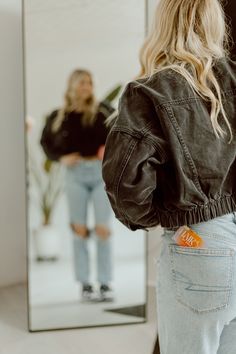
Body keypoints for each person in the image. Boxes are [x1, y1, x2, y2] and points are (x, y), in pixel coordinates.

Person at [101, 0, 236, 353]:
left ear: (163, 23)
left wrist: (163, 216)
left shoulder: (151, 90)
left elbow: (123, 183)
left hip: (200, 243)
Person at [40, 69, 116, 302]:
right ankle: (85, 284)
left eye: (90, 82)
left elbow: (121, 132)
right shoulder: (58, 115)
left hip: (100, 172)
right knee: (79, 230)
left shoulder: (104, 110)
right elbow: (45, 143)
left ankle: (104, 283)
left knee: (103, 229)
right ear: (72, 85)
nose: (87, 86)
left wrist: (108, 150)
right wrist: (61, 158)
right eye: (82, 82)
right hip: (74, 174)